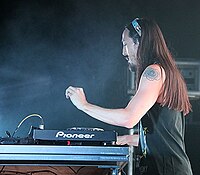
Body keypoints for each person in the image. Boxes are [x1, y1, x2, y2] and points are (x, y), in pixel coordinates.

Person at [65, 17, 193, 175]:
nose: (123, 52)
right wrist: (124, 140)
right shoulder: (166, 72)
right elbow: (159, 137)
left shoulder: (154, 71)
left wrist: (84, 105)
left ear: (140, 42)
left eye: (125, 44)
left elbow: (129, 118)